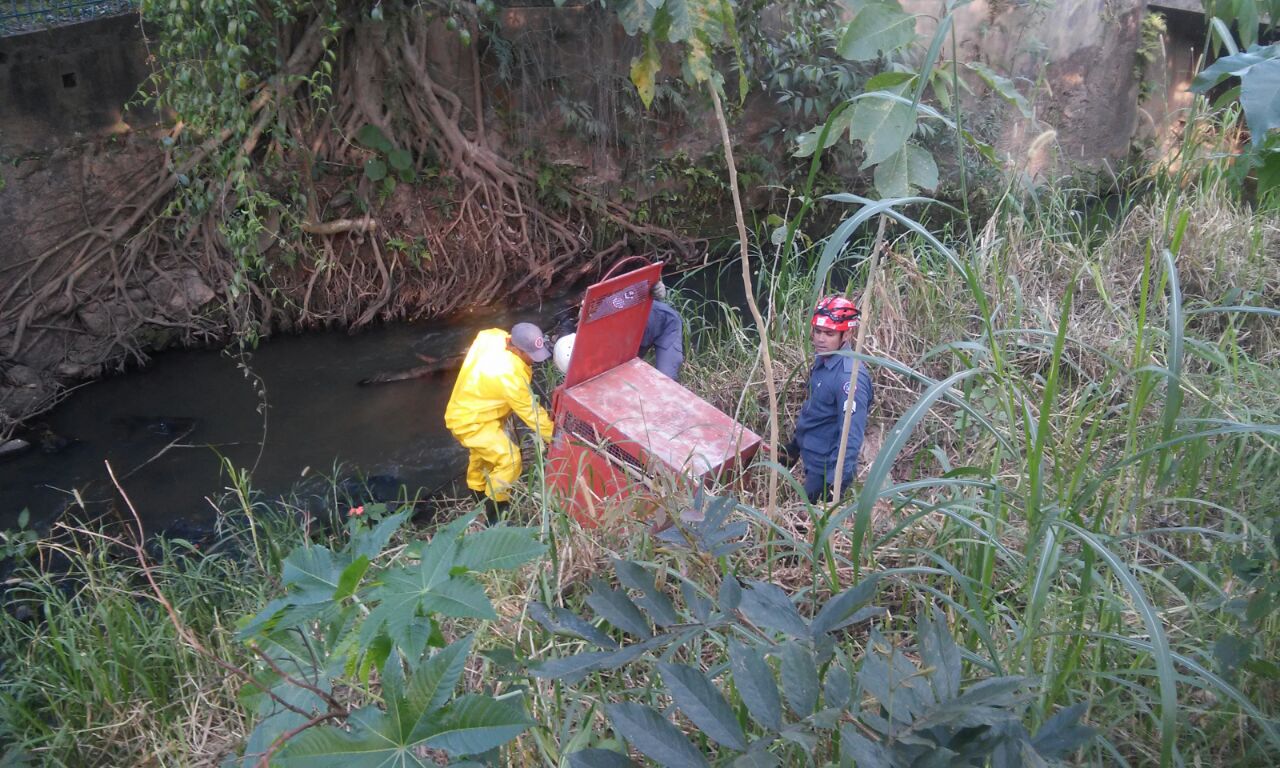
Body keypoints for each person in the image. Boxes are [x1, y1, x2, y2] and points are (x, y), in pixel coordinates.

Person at [444, 322, 555, 519]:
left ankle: (479, 497)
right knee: (510, 459)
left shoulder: (493, 337)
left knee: (482, 458)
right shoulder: (510, 375)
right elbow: (533, 415)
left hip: (472, 409)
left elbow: (484, 334)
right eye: (531, 355)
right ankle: (496, 516)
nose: (534, 360)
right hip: (471, 422)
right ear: (517, 350)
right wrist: (555, 439)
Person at [779, 296, 874, 504]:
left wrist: (833, 486)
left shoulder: (848, 378)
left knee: (807, 523)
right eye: (817, 331)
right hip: (810, 451)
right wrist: (794, 447)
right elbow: (817, 409)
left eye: (829, 334)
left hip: (823, 468)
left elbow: (850, 437)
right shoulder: (823, 358)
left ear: (846, 334)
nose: (820, 339)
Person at [639, 281, 684, 380]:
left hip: (662, 321)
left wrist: (657, 286)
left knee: (666, 380)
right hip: (620, 329)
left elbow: (648, 276)